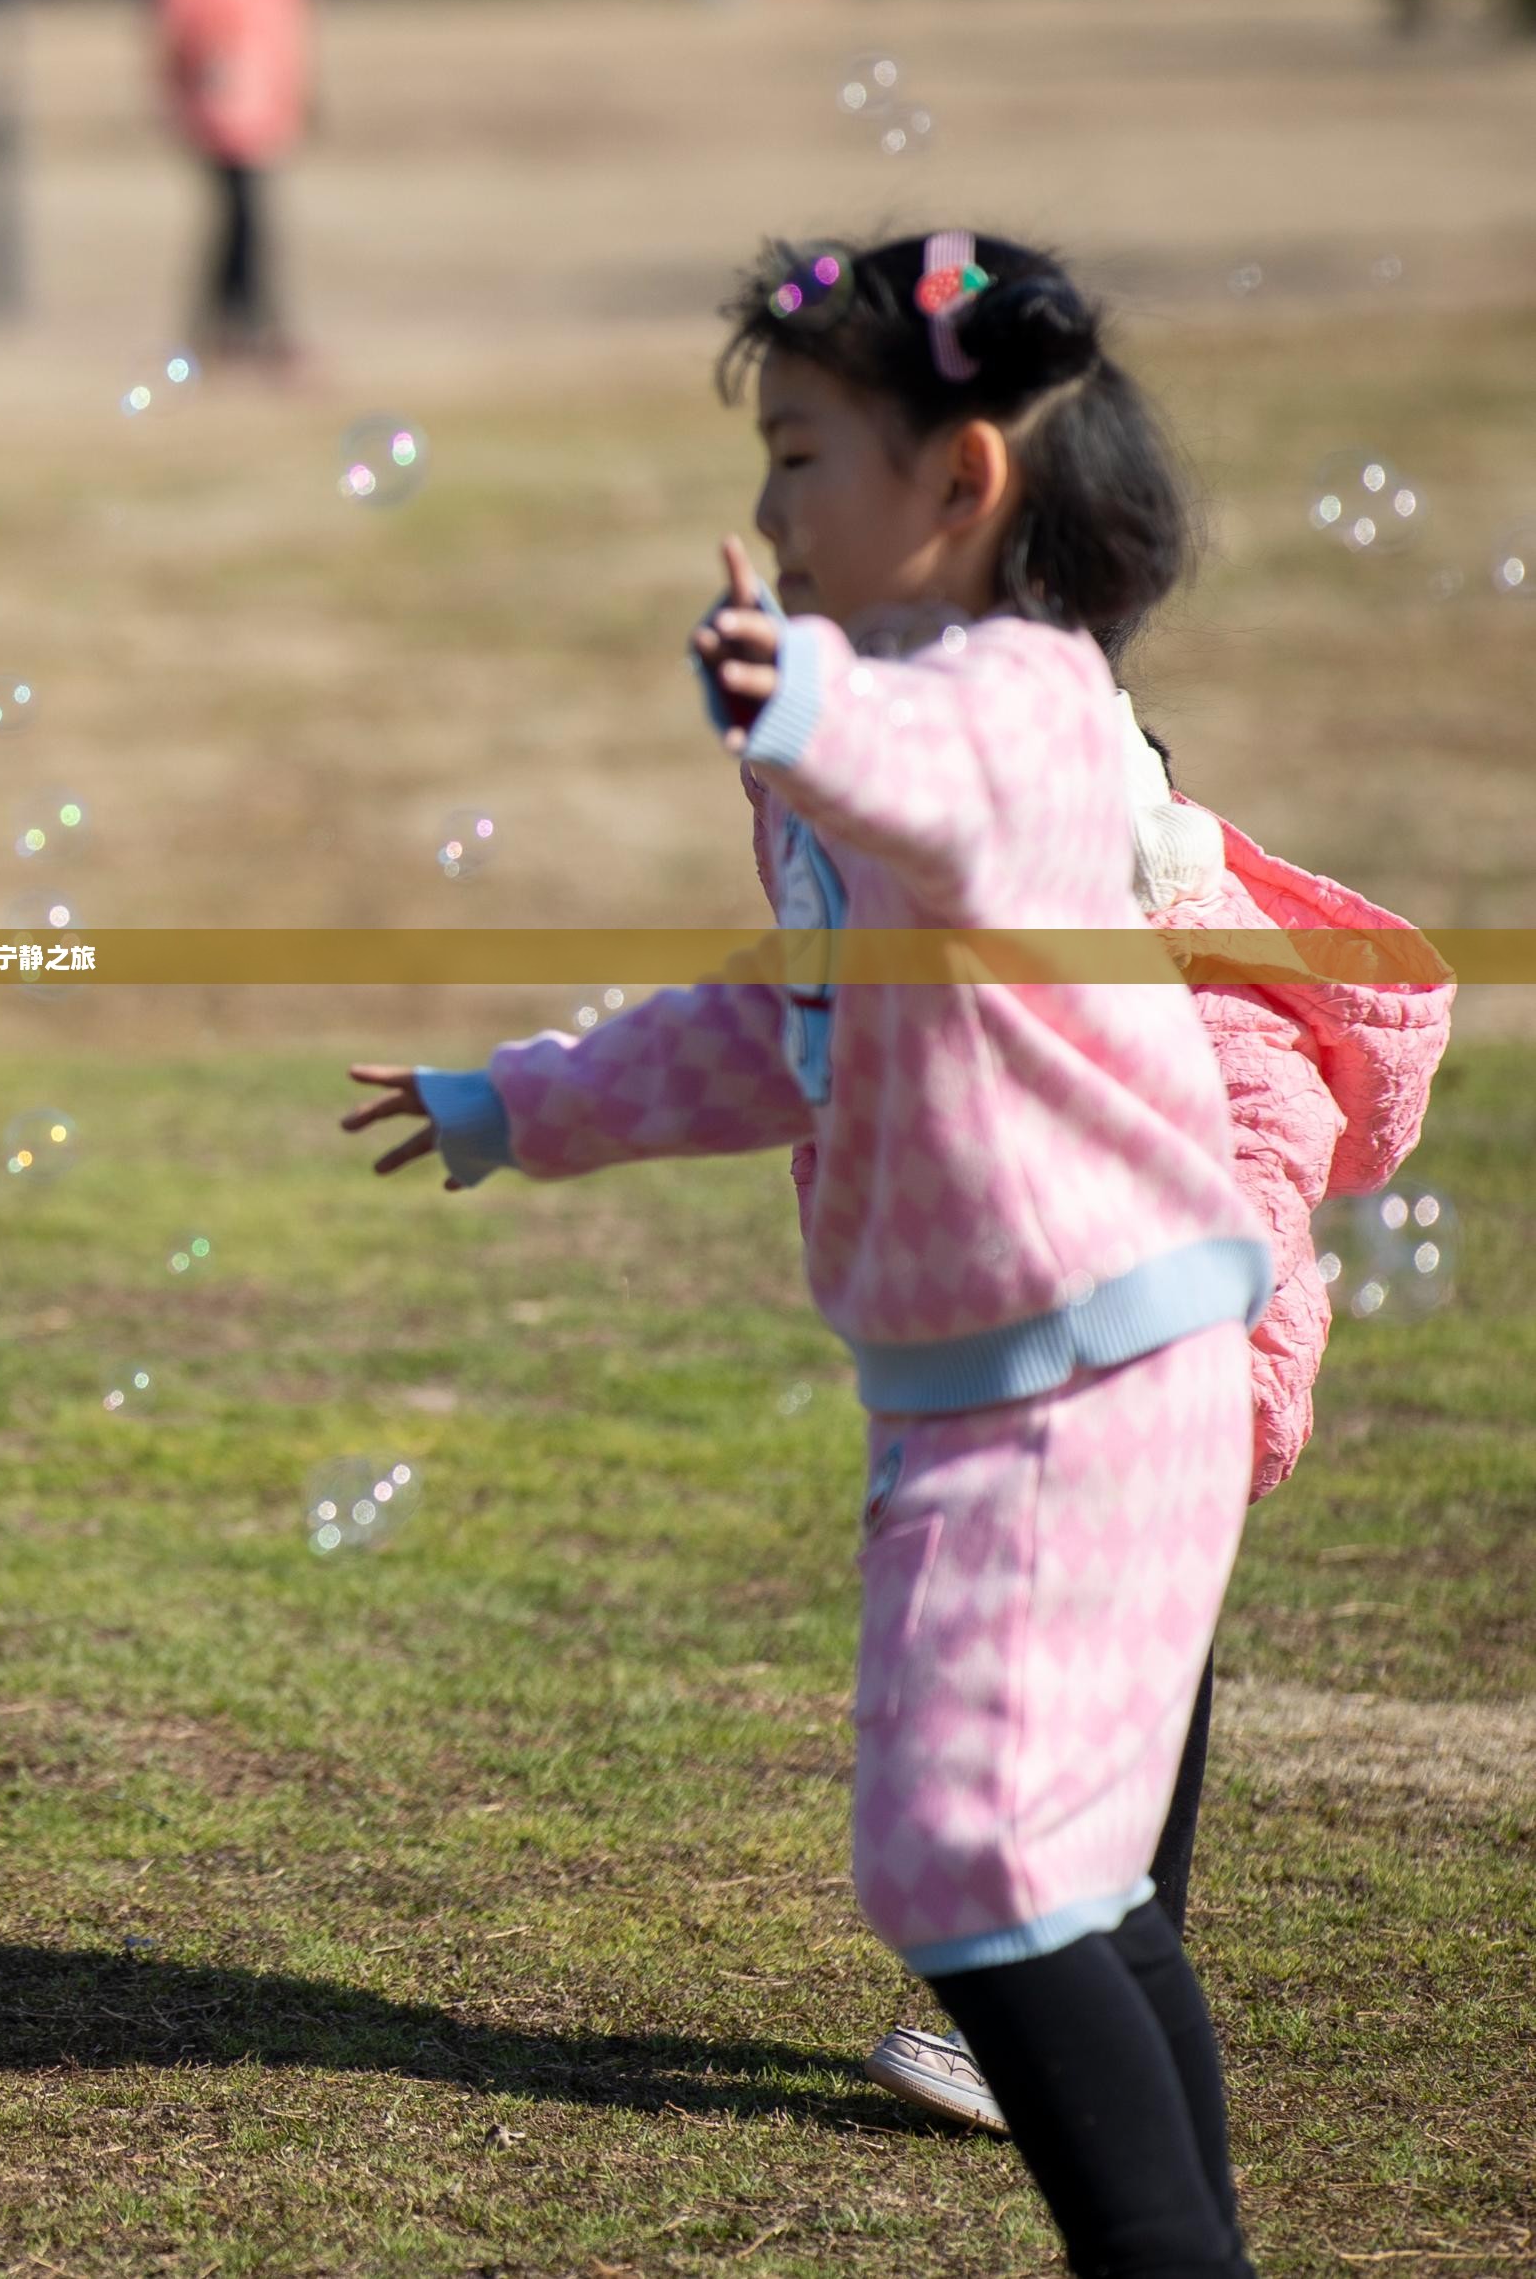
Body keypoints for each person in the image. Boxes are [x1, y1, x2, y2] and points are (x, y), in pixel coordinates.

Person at [345, 232, 1275, 2277]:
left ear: (956, 482)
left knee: (961, 1854)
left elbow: (937, 792)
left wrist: (798, 701)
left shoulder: (1016, 716)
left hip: (1073, 1370)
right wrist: (517, 1100)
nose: (765, 508)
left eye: (798, 455)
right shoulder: (866, 768)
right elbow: (784, 1027)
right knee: (1083, 1879)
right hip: (1011, 1376)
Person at [864, 719, 1449, 2134]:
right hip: (1054, 1384)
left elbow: (1259, 1177)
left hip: (1175, 1385)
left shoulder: (1219, 1000)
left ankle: (1045, 2032)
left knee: (1082, 1700)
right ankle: (1075, 2009)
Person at [149, 0, 312, 365]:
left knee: (242, 221)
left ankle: (229, 332)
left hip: (259, 91)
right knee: (243, 220)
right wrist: (198, 74)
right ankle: (240, 334)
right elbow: (191, 13)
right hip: (226, 93)